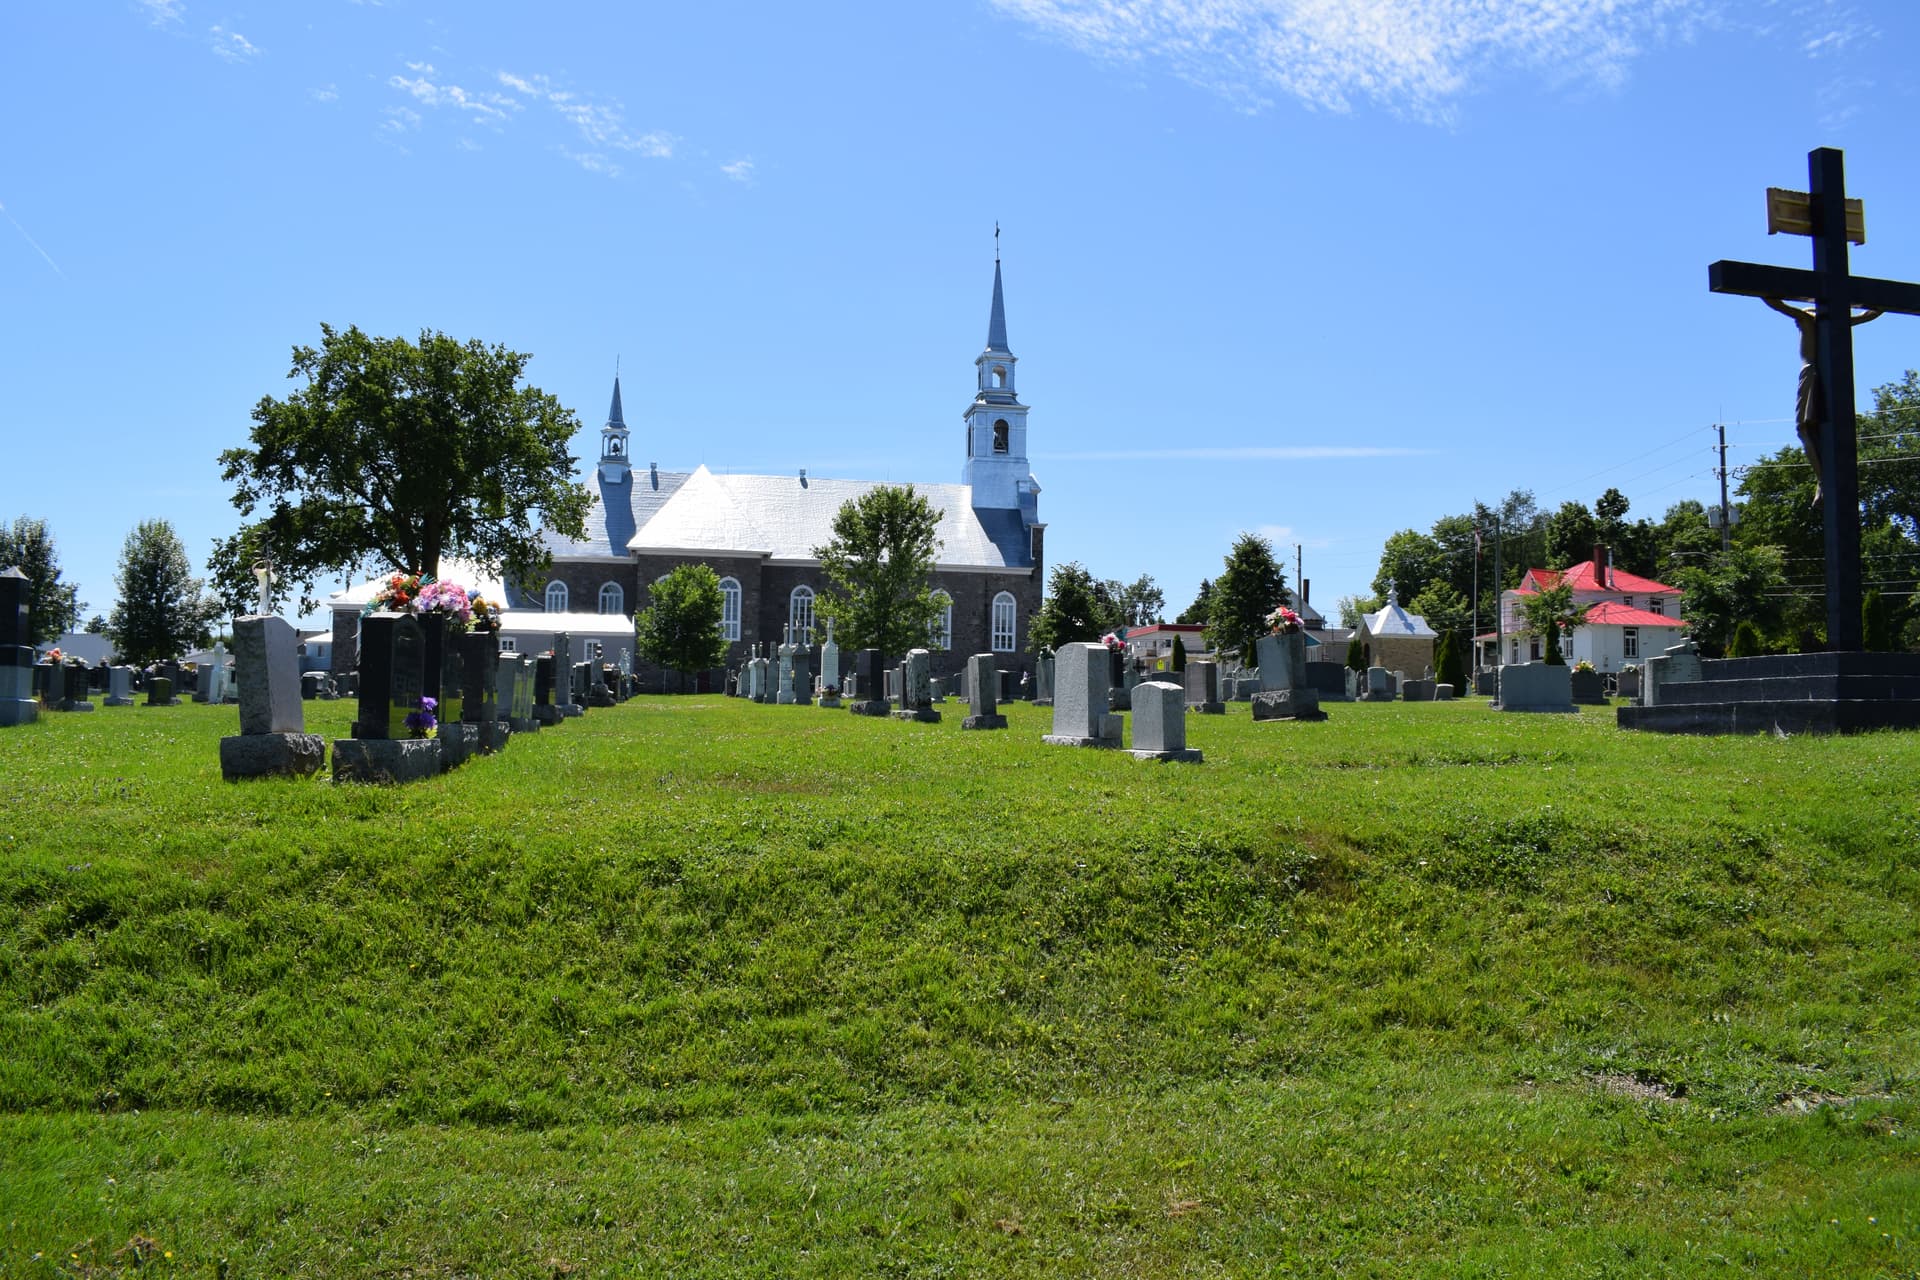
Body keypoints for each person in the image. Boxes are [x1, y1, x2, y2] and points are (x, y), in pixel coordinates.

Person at [1763, 297, 1882, 504]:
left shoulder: (1806, 318)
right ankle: (1825, 479)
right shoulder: (1837, 320)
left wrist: (1760, 291)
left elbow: (1781, 306)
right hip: (1834, 375)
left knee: (1804, 429)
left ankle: (1822, 480)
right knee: (1821, 430)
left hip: (1811, 374)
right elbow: (1868, 316)